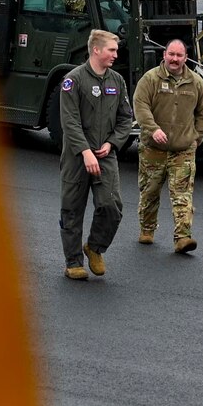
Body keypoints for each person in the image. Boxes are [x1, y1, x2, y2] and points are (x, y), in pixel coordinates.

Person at [58, 30, 133, 280]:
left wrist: (112, 144)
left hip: (105, 154)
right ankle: (73, 262)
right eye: (112, 50)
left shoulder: (117, 81)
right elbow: (69, 122)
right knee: (72, 209)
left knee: (112, 206)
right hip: (77, 157)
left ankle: (95, 248)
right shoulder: (73, 80)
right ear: (96, 50)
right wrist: (85, 152)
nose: (116, 54)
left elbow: (125, 120)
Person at [133, 38, 203, 253]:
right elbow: (140, 106)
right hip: (152, 149)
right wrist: (152, 129)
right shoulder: (150, 79)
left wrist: (197, 138)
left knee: (182, 195)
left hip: (183, 151)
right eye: (171, 54)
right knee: (149, 192)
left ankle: (183, 237)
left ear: (186, 58)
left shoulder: (196, 83)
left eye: (179, 55)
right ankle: (147, 229)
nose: (175, 59)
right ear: (164, 55)